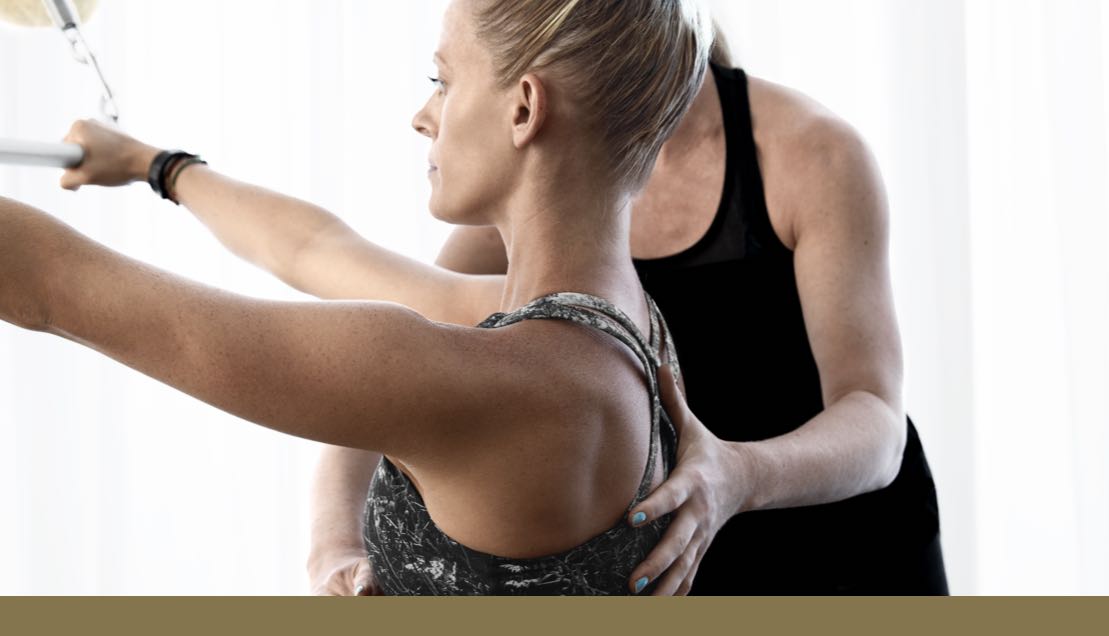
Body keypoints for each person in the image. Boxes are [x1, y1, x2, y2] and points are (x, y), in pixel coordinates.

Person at [0, 0, 715, 595]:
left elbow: (57, 285)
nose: (422, 115)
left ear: (524, 108)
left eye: (442, 81)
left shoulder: (503, 386)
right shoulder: (610, 331)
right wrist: (155, 165)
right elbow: (317, 250)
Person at [308, 18, 950, 597]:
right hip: (671, 569)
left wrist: (736, 476)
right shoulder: (531, 169)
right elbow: (395, 367)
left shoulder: (812, 154)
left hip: (846, 559)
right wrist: (336, 547)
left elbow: (875, 421)